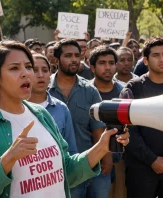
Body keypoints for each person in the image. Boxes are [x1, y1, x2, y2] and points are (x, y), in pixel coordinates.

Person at [0, 42, 130, 198]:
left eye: (28, 66)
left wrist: (101, 147)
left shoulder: (41, 114)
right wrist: (8, 158)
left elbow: (67, 170)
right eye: (14, 68)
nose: (26, 74)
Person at [120, 38, 163, 198]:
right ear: (145, 60)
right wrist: (152, 160)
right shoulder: (133, 88)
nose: (162, 59)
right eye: (156, 55)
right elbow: (128, 130)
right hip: (141, 168)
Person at [48, 39, 111, 198]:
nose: (74, 59)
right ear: (56, 60)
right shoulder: (44, 89)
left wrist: (106, 158)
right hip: (58, 169)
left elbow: (98, 129)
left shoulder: (90, 91)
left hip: (91, 162)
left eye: (77, 55)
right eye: (68, 55)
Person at [88, 45, 127, 198]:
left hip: (121, 158)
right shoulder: (85, 91)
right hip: (93, 159)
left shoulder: (125, 91)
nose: (107, 67)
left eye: (111, 63)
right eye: (102, 63)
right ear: (92, 67)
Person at [28, 53, 78, 155]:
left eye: (45, 70)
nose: (41, 75)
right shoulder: (16, 108)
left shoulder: (61, 108)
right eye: (35, 70)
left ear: (50, 73)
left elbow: (71, 150)